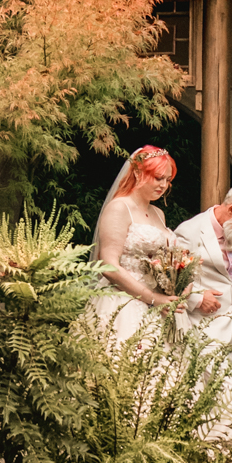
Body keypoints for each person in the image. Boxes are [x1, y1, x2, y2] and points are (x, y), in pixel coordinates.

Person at [90, 145, 187, 344]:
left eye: (168, 180)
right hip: (123, 301)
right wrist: (152, 298)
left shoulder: (158, 213)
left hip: (159, 305)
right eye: (158, 178)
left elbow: (163, 261)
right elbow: (108, 265)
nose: (163, 185)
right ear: (137, 172)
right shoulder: (119, 208)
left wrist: (180, 280)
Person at [173, 183, 232, 346]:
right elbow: (172, 279)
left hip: (230, 334)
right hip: (198, 332)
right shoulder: (189, 232)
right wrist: (197, 298)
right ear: (231, 209)